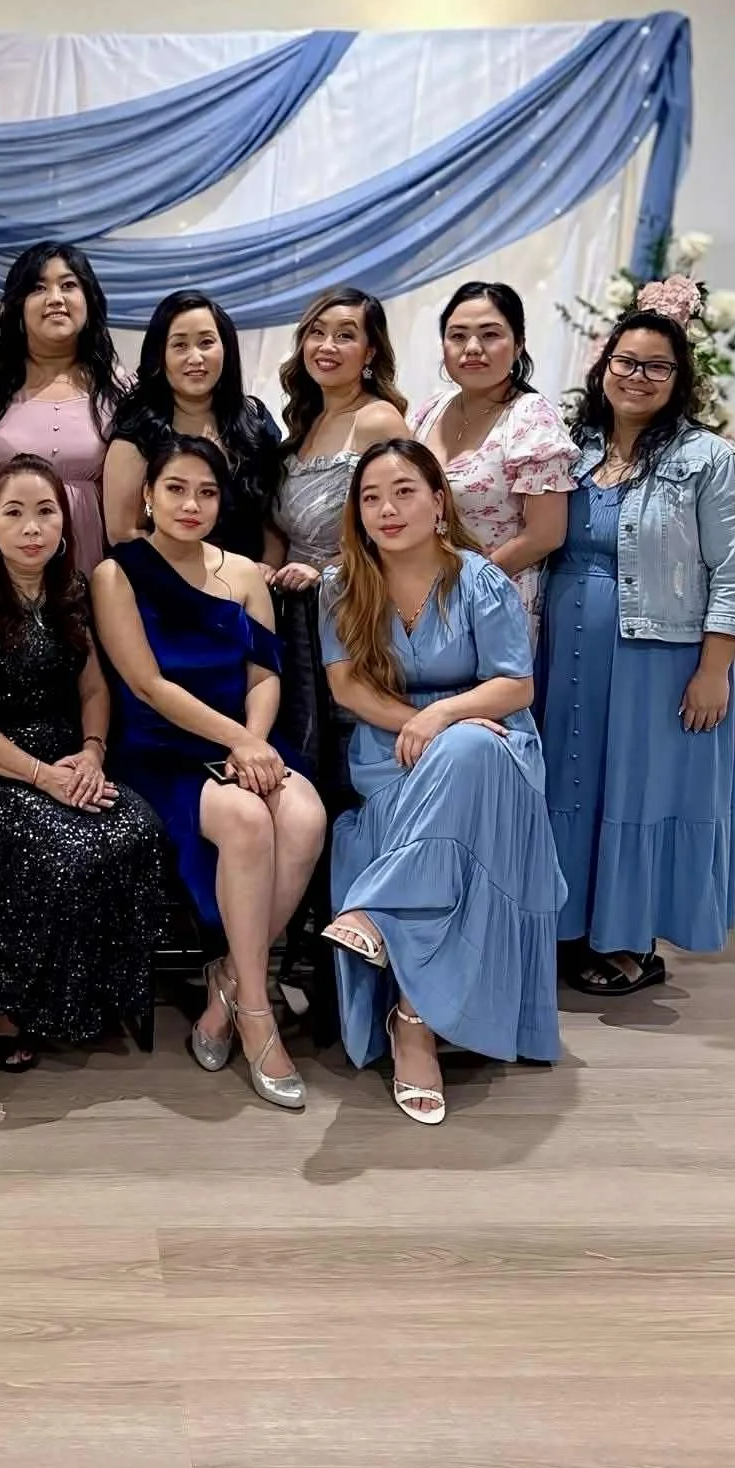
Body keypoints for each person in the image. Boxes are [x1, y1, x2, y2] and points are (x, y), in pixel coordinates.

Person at [321, 440, 566, 1125]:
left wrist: (446, 717)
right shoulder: (342, 585)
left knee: (469, 753)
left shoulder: (479, 578)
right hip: (389, 749)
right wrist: (421, 724)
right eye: (371, 497)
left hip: (493, 741)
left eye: (404, 492)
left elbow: (515, 685)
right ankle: (413, 1016)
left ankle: (400, 981)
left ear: (437, 503)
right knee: (456, 751)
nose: (387, 509)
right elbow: (348, 688)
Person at [93, 437, 326, 1111]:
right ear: (147, 495)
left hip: (246, 737)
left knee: (306, 815)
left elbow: (265, 674)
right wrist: (235, 743)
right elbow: (145, 683)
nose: (191, 504)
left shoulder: (247, 573)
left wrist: (252, 742)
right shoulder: (119, 573)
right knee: (249, 819)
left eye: (206, 492)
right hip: (162, 747)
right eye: (175, 489)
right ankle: (256, 1011)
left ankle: (226, 980)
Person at [537, 307, 735, 997]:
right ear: (604, 367)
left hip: (658, 660)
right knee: (571, 785)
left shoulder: (708, 460)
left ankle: (630, 938)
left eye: (656, 366)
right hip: (568, 652)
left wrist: (713, 671)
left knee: (641, 792)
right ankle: (567, 929)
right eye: (626, 361)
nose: (638, 377)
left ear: (679, 378)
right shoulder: (568, 450)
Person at [0, 456, 167, 1069]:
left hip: (69, 758)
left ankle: (94, 997)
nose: (32, 527)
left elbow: (95, 690)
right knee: (59, 852)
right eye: (13, 513)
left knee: (137, 826)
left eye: (45, 512)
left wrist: (92, 755)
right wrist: (46, 779)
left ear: (65, 526)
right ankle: (7, 1007)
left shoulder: (73, 591)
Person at [267, 288, 411, 793]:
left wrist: (328, 568)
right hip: (296, 610)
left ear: (370, 352)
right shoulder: (305, 422)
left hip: (354, 603)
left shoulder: (378, 419)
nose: (326, 345)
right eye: (316, 332)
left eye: (345, 335)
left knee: (348, 766)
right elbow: (281, 528)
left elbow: (400, 524)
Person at [0, 242, 123, 575]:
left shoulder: (117, 391)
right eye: (38, 287)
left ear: (89, 301)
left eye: (69, 285)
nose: (56, 298)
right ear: (18, 306)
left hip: (90, 572)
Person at [411, 280, 576, 627]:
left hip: (493, 601)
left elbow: (545, 534)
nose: (472, 348)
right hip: (418, 599)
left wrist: (461, 587)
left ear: (518, 346)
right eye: (457, 336)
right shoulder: (429, 411)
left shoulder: (531, 416)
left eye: (489, 335)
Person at [103, 289, 281, 560]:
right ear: (160, 356)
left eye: (206, 342)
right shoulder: (139, 431)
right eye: (180, 345)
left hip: (255, 586)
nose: (195, 358)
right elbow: (123, 533)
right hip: (169, 588)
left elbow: (274, 518)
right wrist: (211, 574)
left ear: (226, 349)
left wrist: (267, 572)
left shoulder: (254, 419)